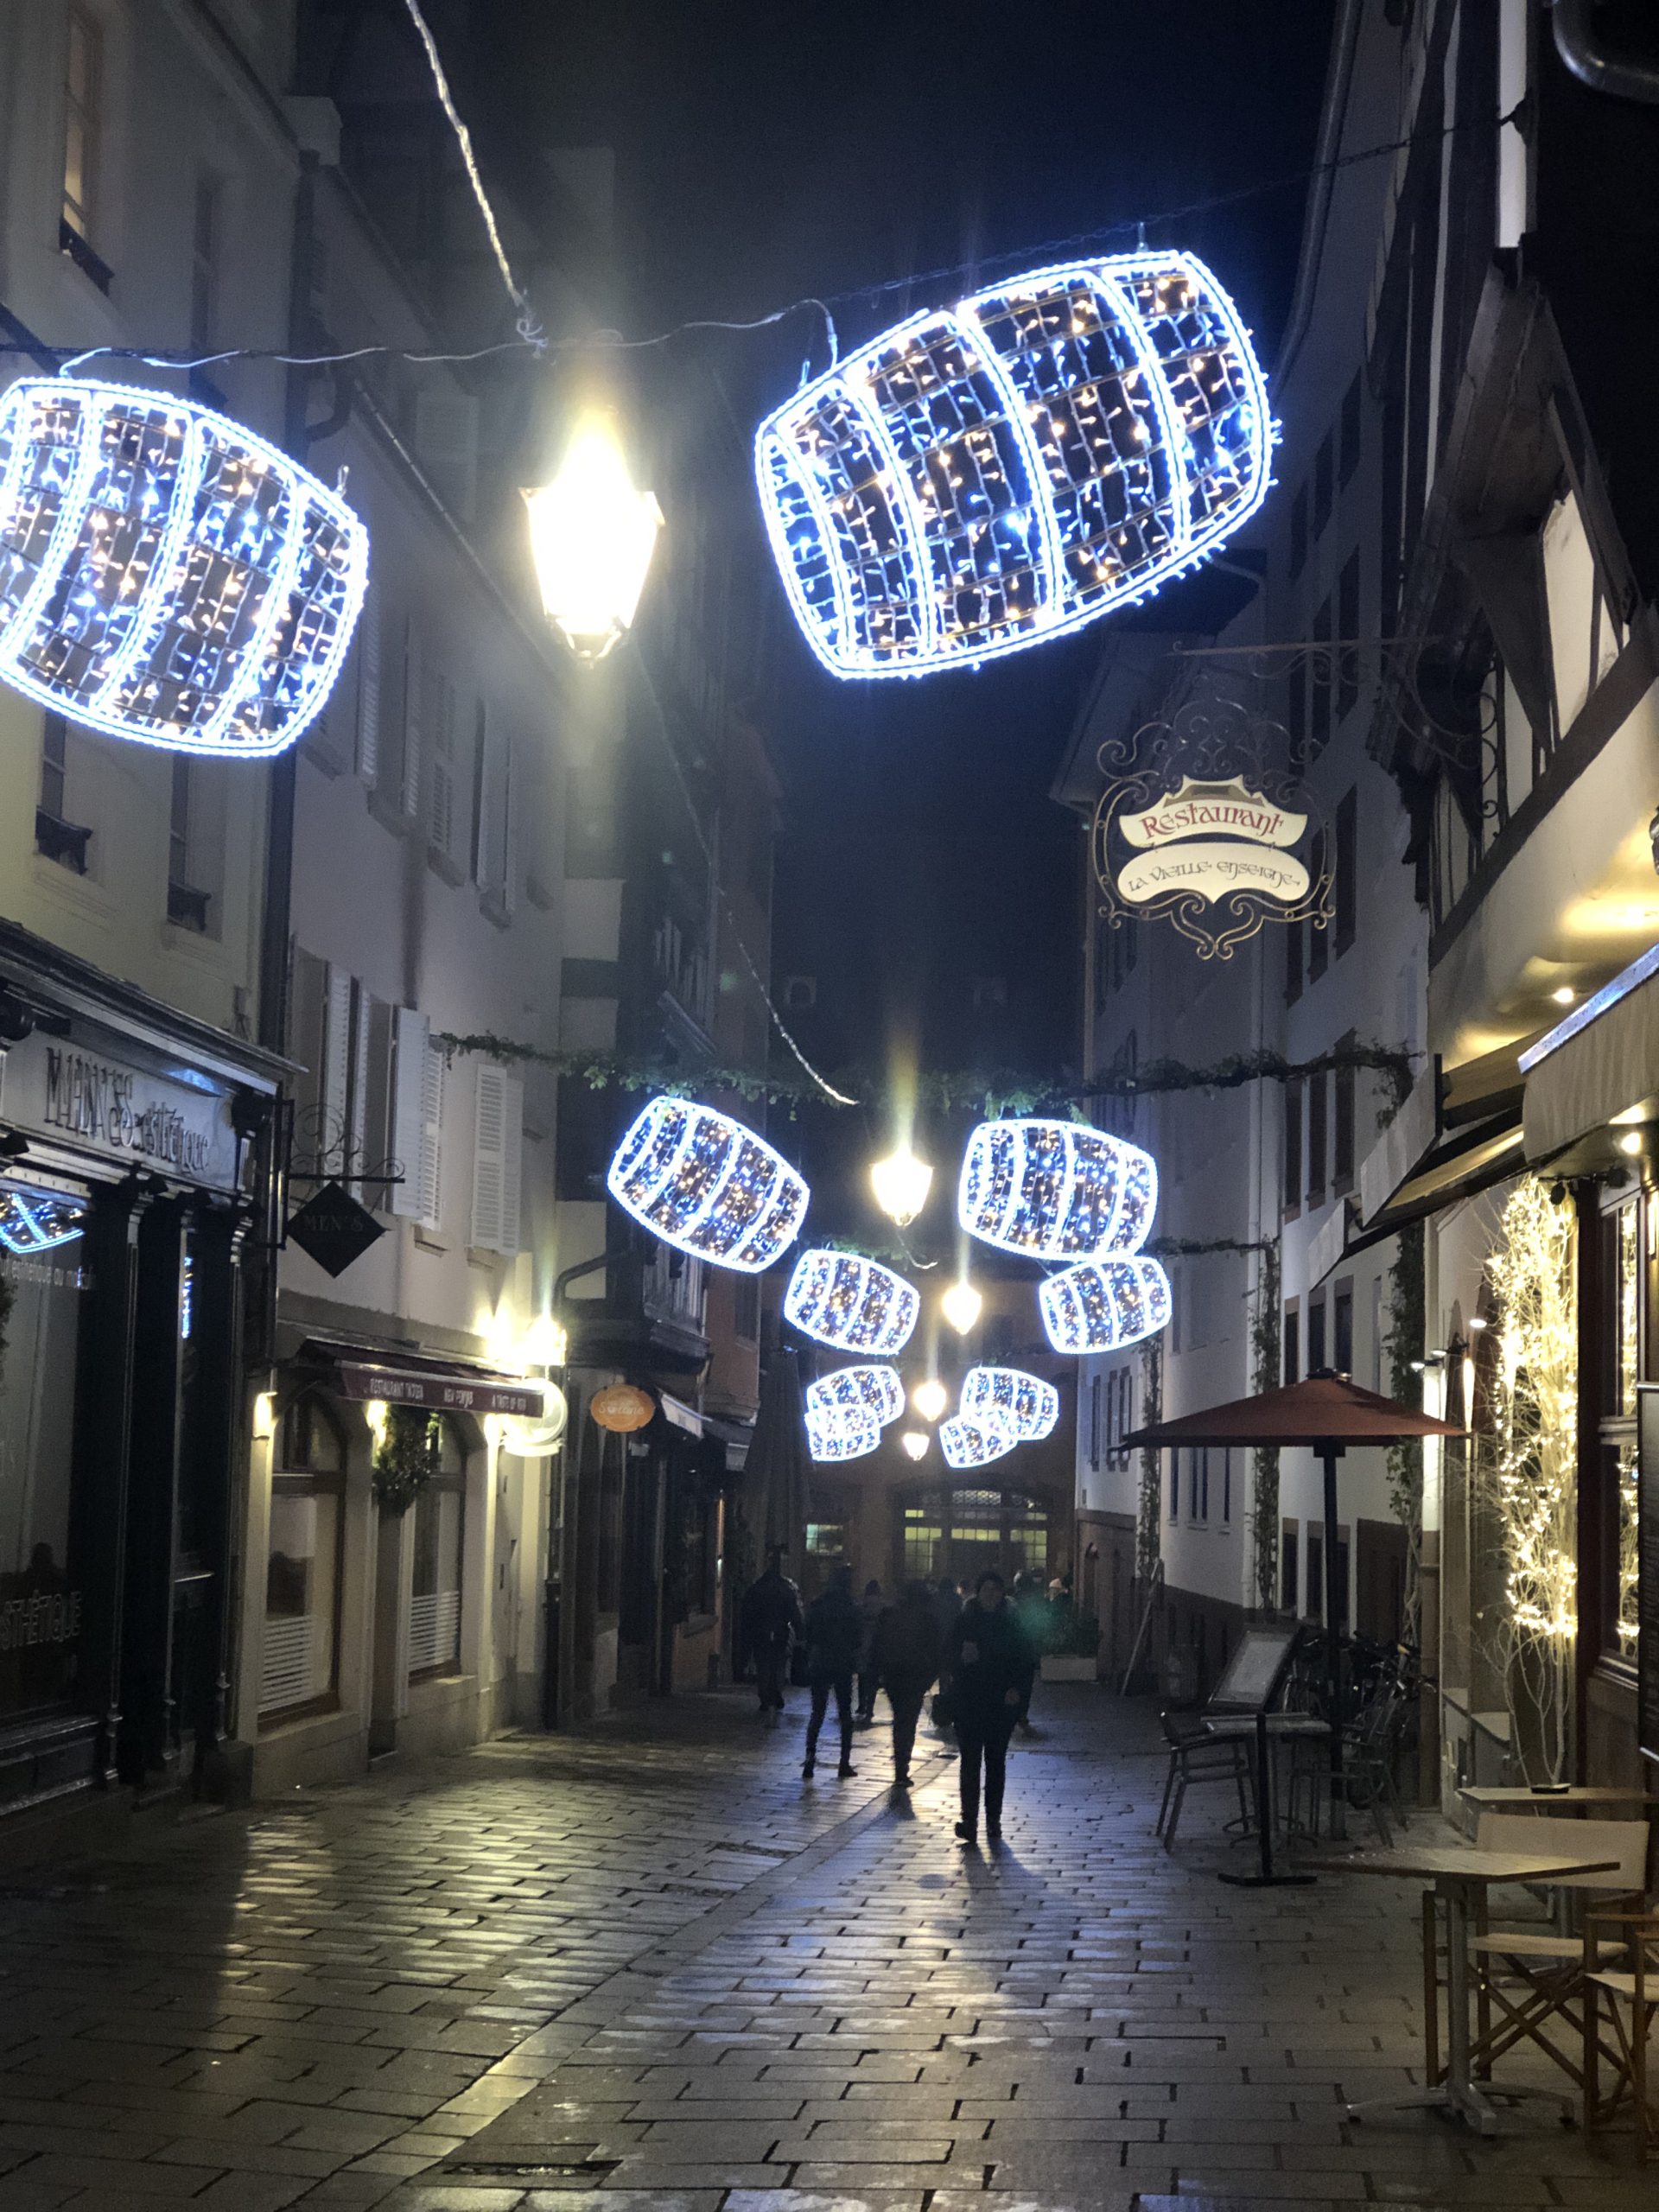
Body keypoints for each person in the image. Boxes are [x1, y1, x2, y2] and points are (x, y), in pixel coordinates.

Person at [944, 1569, 1035, 1846]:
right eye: (986, 1589)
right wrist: (961, 1659)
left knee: (995, 1763)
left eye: (996, 1590)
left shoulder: (1012, 1623)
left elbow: (1025, 1661)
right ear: (978, 1592)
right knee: (970, 1764)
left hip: (1000, 1704)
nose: (991, 1595)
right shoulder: (965, 1620)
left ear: (1002, 1593)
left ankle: (993, 1821)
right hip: (969, 1702)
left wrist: (1018, 1693)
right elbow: (948, 1655)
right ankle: (969, 1822)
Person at [873, 1579, 943, 1789]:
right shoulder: (928, 1619)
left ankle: (900, 1764)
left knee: (899, 1719)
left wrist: (878, 1673)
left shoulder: (889, 1614)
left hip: (893, 1675)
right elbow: (936, 1650)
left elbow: (878, 1644)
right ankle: (903, 1767)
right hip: (916, 1676)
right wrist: (930, 1678)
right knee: (908, 1721)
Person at [801, 1564, 863, 1778]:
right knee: (845, 1714)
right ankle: (844, 1762)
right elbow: (857, 1639)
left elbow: (808, 1634)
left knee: (817, 1713)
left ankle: (810, 1757)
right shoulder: (851, 1608)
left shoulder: (818, 1605)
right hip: (842, 1663)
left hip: (820, 1662)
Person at [740, 1548, 803, 1716]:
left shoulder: (757, 1588)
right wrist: (800, 1633)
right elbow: (794, 1613)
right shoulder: (786, 1588)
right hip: (780, 1630)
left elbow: (747, 1612)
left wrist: (747, 1633)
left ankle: (765, 1697)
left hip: (760, 1631)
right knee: (778, 1664)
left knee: (763, 1665)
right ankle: (776, 1694)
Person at [855, 1578, 885, 1723]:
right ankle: (870, 1708)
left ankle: (861, 1704)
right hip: (876, 1647)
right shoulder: (882, 1607)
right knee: (873, 1679)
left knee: (862, 1678)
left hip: (862, 1645)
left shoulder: (861, 1606)